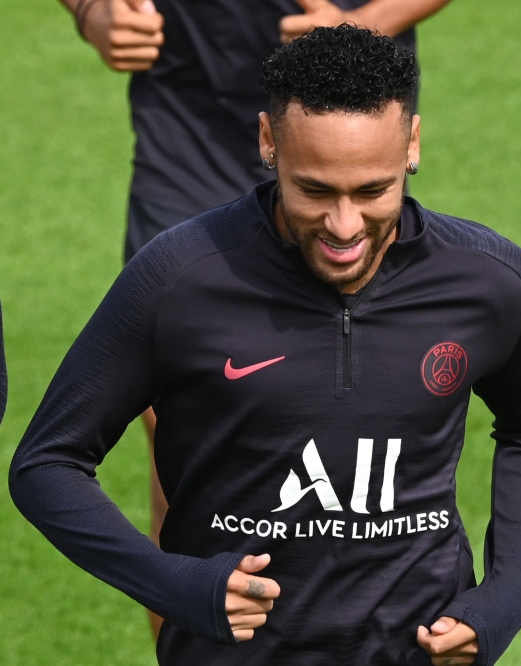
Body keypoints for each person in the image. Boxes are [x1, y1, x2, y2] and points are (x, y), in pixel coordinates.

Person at [10, 25, 521, 666]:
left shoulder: (489, 280)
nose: (344, 226)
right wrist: (177, 587)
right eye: (314, 191)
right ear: (268, 142)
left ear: (412, 145)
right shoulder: (179, 278)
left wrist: (500, 604)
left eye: (372, 191)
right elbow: (46, 464)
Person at [61, 0, 452, 634]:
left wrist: (375, 22)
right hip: (187, 117)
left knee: (348, 443)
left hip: (344, 120)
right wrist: (89, 10)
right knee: (186, 450)